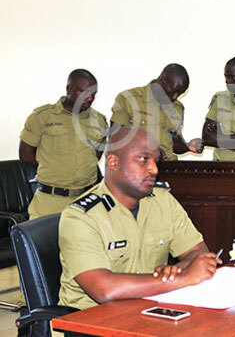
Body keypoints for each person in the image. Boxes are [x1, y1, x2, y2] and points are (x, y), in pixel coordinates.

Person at [58, 127, 221, 310]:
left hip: (147, 311)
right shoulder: (80, 217)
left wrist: (176, 270)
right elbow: (104, 289)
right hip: (88, 322)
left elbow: (198, 253)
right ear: (113, 162)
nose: (154, 169)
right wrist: (183, 278)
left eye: (156, 160)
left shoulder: (163, 201)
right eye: (144, 159)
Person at [20, 69, 108, 219]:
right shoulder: (44, 117)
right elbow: (26, 154)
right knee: (45, 241)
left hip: (86, 200)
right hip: (50, 200)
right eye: (84, 92)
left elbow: (96, 155)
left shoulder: (99, 120)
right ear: (69, 89)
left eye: (93, 94)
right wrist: (54, 168)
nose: (90, 98)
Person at [110, 64, 203, 161]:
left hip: (167, 169)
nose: (175, 97)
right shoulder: (129, 99)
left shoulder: (177, 108)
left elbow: (174, 143)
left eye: (180, 94)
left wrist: (187, 146)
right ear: (163, 80)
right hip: (137, 167)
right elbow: (116, 136)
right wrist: (149, 149)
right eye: (174, 91)